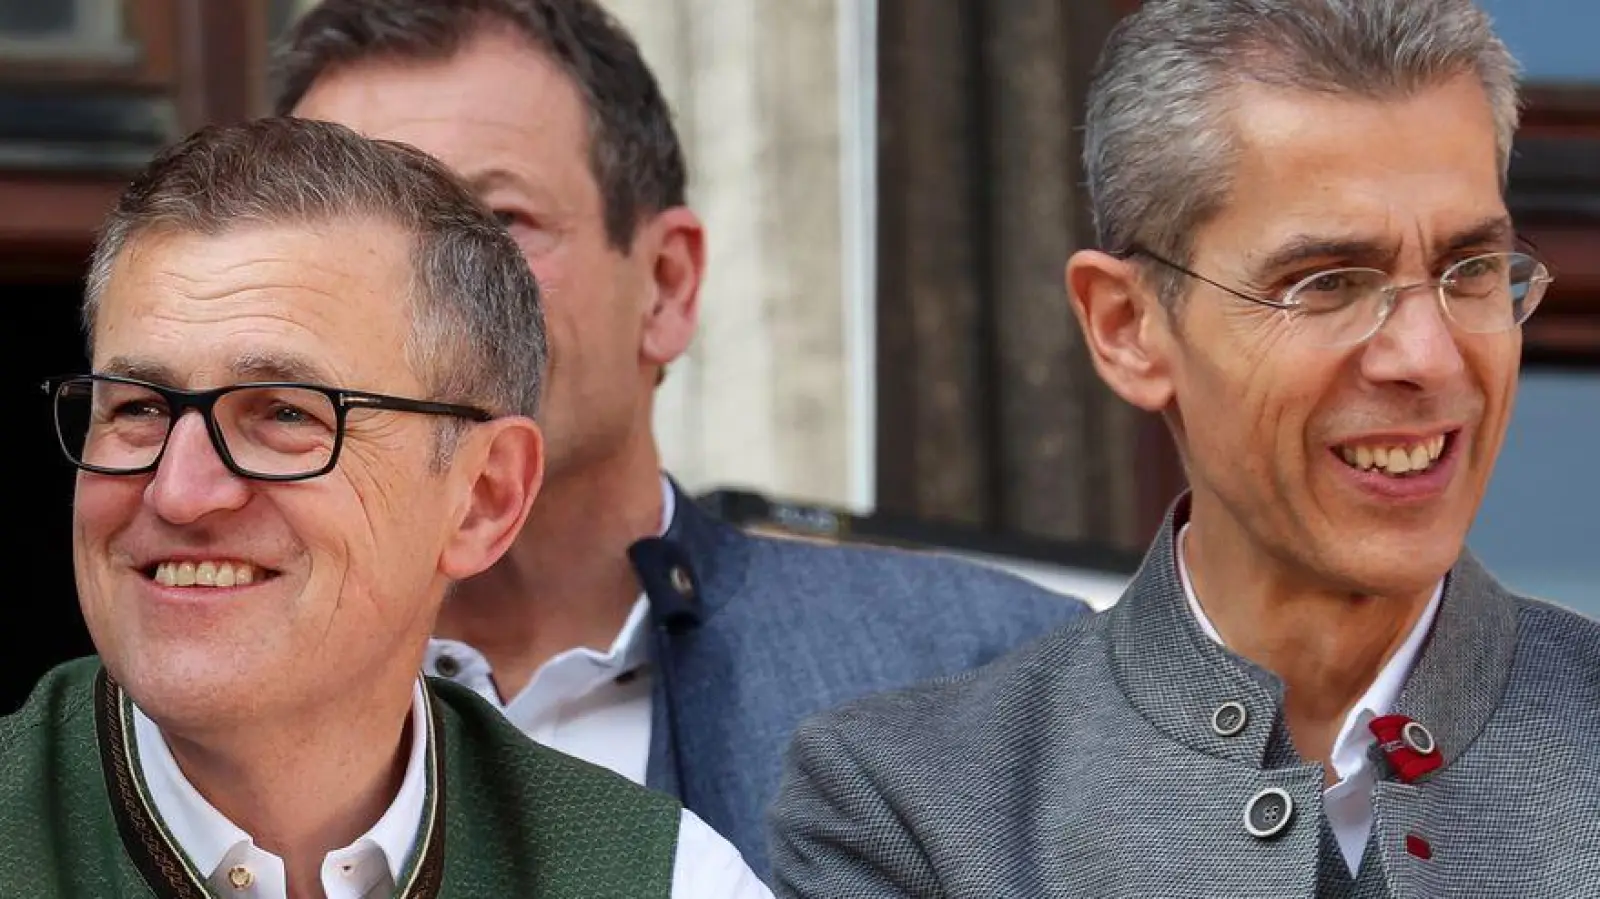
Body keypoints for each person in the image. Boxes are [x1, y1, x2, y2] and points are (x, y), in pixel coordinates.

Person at [768, 1, 1600, 895]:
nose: (1428, 358)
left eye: (1470, 271)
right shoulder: (912, 807)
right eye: (1327, 285)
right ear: (1127, 326)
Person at [273, 0, 1090, 878]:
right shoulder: (191, 708)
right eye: (347, 242)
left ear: (665, 285)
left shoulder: (991, 681)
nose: (415, 299)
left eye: (496, 225)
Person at [0, 116, 771, 898]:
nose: (181, 490)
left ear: (483, 498)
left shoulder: (666, 878)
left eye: (286, 414)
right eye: (137, 407)